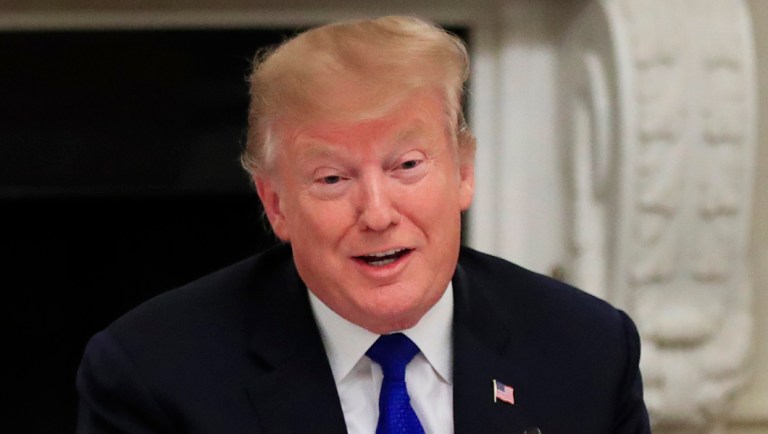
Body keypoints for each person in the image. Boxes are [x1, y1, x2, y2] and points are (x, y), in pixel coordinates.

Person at [77, 16, 651, 434]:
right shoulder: (152, 374)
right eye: (332, 179)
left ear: (464, 173)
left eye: (406, 166)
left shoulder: (587, 350)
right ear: (275, 204)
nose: (377, 214)